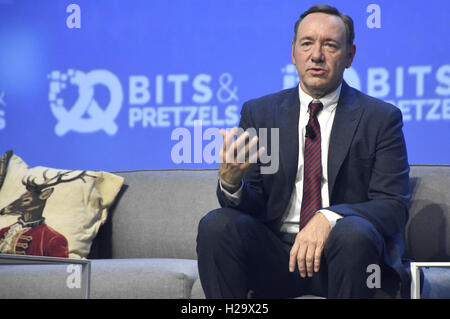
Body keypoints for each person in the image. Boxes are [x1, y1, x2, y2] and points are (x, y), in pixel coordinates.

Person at [196, 4, 411, 299]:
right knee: (216, 225)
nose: (317, 55)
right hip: (276, 258)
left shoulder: (380, 118)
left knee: (354, 234)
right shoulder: (261, 113)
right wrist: (232, 184)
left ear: (350, 56)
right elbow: (253, 205)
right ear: (293, 53)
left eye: (330, 45)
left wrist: (329, 217)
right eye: (307, 43)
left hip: (343, 257)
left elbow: (393, 207)